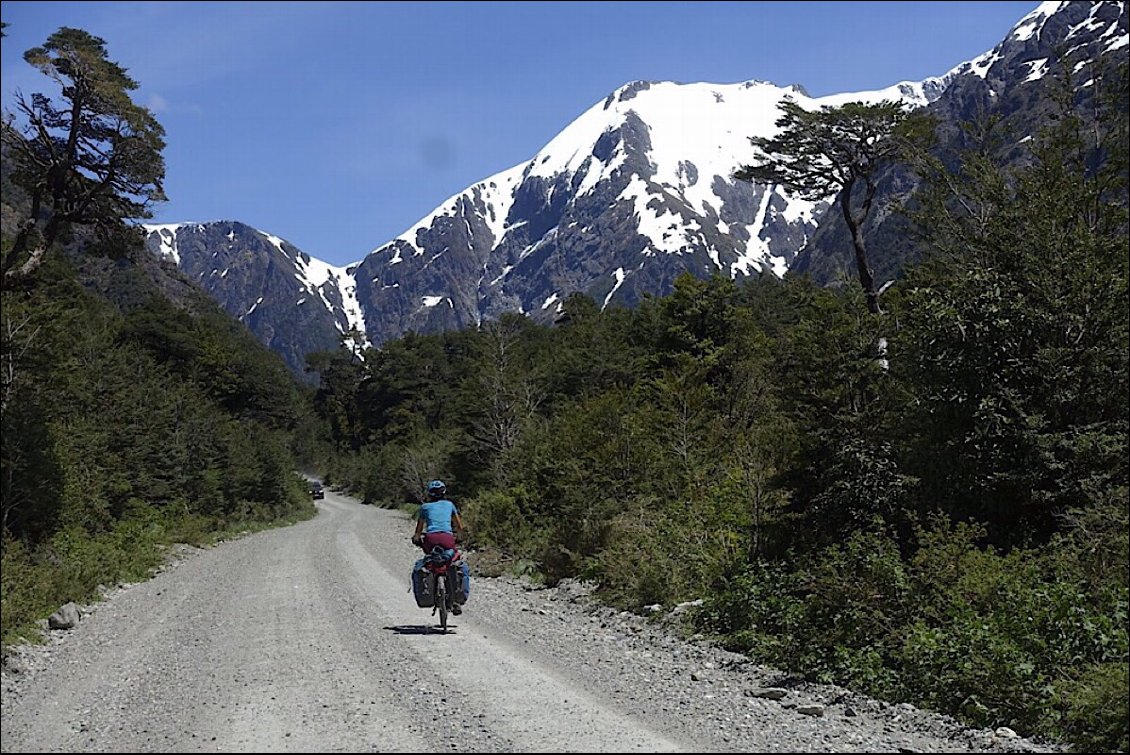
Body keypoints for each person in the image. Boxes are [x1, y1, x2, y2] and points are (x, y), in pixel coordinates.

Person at [412, 479, 465, 615]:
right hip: (447, 538)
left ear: (429, 494)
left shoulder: (425, 507)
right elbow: (459, 526)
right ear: (444, 492)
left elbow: (418, 529)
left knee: (431, 559)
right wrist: (459, 537)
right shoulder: (450, 505)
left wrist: (416, 538)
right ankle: (455, 600)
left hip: (431, 539)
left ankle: (433, 588)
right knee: (452, 560)